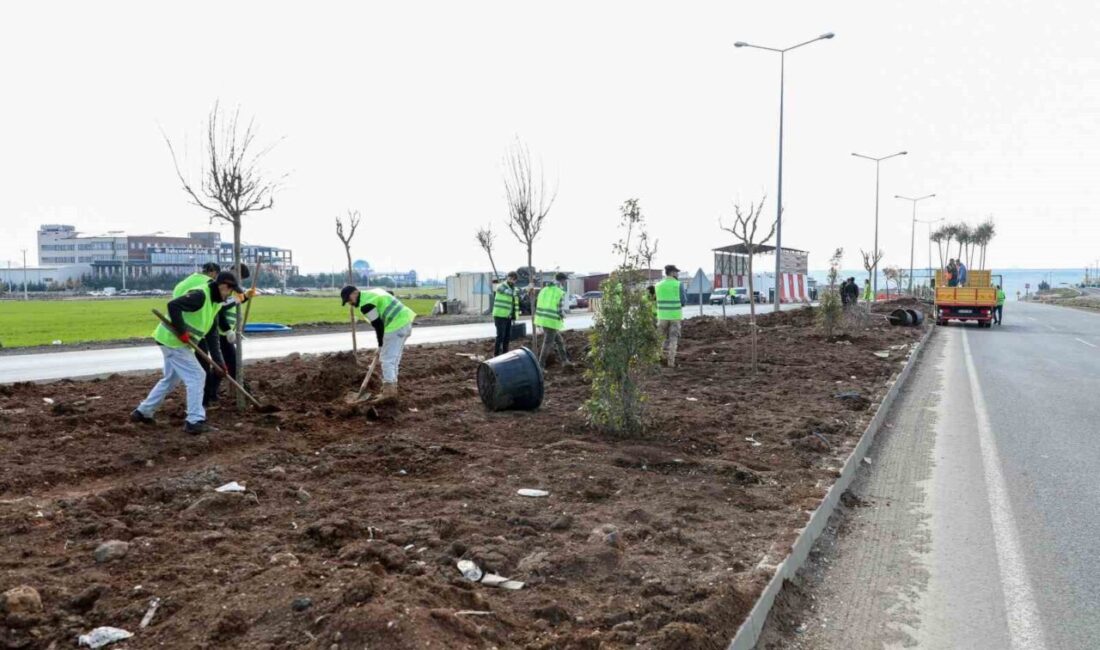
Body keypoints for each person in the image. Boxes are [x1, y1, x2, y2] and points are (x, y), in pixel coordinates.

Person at [131, 271, 242, 434]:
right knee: (198, 376)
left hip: (172, 342)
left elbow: (212, 334)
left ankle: (143, 412)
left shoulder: (215, 302)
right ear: (224, 286)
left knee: (170, 379)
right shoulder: (201, 295)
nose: (230, 295)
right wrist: (182, 331)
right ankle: (194, 421)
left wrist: (219, 362)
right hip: (172, 341)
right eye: (230, 291)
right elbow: (173, 305)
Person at [340, 285, 416, 404]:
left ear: (355, 293)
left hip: (395, 326)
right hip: (405, 322)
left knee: (386, 360)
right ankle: (392, 387)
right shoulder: (371, 294)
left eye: (349, 299)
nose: (349, 303)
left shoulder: (366, 304)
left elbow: (378, 325)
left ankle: (389, 392)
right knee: (393, 359)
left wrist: (380, 344)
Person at [203, 264, 256, 407]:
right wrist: (227, 330)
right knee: (232, 364)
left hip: (225, 334)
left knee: (222, 366)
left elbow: (235, 301)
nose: (240, 281)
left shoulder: (231, 289)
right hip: (220, 334)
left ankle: (210, 394)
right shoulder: (221, 288)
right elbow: (221, 308)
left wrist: (245, 297)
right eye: (240, 277)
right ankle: (245, 393)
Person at [535, 273, 570, 368]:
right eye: (565, 280)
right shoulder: (559, 291)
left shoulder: (544, 289)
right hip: (551, 321)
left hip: (543, 319)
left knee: (559, 341)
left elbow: (538, 303)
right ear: (562, 280)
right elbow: (559, 308)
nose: (565, 282)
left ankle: (565, 361)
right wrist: (562, 315)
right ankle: (540, 365)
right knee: (547, 343)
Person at [655, 264, 686, 367]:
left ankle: (658, 360)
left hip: (662, 316)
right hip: (674, 316)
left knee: (660, 340)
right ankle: (671, 363)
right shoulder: (678, 284)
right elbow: (683, 301)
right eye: (676, 272)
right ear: (672, 273)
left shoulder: (658, 285)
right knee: (673, 339)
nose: (677, 274)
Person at [491, 272, 521, 356]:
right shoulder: (501, 286)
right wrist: (524, 289)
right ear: (507, 277)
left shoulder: (513, 288)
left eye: (514, 279)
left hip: (508, 316)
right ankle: (496, 354)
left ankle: (505, 354)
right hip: (499, 315)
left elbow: (516, 293)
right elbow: (511, 293)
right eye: (510, 278)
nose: (512, 280)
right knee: (500, 336)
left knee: (507, 337)